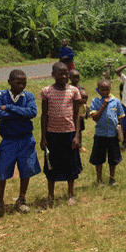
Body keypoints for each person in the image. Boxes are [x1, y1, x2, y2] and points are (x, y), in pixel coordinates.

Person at [0, 70, 41, 219]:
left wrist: (9, 108)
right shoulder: (0, 96)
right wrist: (19, 114)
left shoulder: (28, 96)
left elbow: (32, 112)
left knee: (26, 169)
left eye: (24, 82)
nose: (22, 85)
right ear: (9, 81)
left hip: (26, 139)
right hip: (8, 140)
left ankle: (21, 199)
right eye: (18, 82)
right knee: (2, 171)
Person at [39, 62, 82, 207]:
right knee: (51, 165)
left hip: (69, 134)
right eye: (60, 73)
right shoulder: (46, 91)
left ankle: (71, 194)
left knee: (71, 165)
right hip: (52, 134)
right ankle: (50, 195)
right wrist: (43, 137)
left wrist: (77, 136)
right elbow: (44, 116)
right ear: (53, 75)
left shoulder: (74, 91)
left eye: (66, 73)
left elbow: (77, 115)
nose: (64, 76)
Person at [89, 80, 125, 186]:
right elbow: (95, 117)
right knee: (99, 159)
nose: (105, 92)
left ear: (110, 89)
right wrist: (103, 105)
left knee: (113, 159)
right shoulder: (95, 101)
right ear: (98, 89)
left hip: (113, 135)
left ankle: (112, 179)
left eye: (107, 89)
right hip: (100, 135)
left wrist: (121, 132)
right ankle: (99, 179)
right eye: (102, 89)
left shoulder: (116, 101)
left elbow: (120, 117)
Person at [69, 69, 89, 152]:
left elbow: (84, 99)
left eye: (77, 77)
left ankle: (79, 146)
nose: (76, 79)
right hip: (70, 112)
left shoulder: (81, 88)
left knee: (79, 129)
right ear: (70, 78)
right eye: (73, 78)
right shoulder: (68, 88)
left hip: (79, 112)